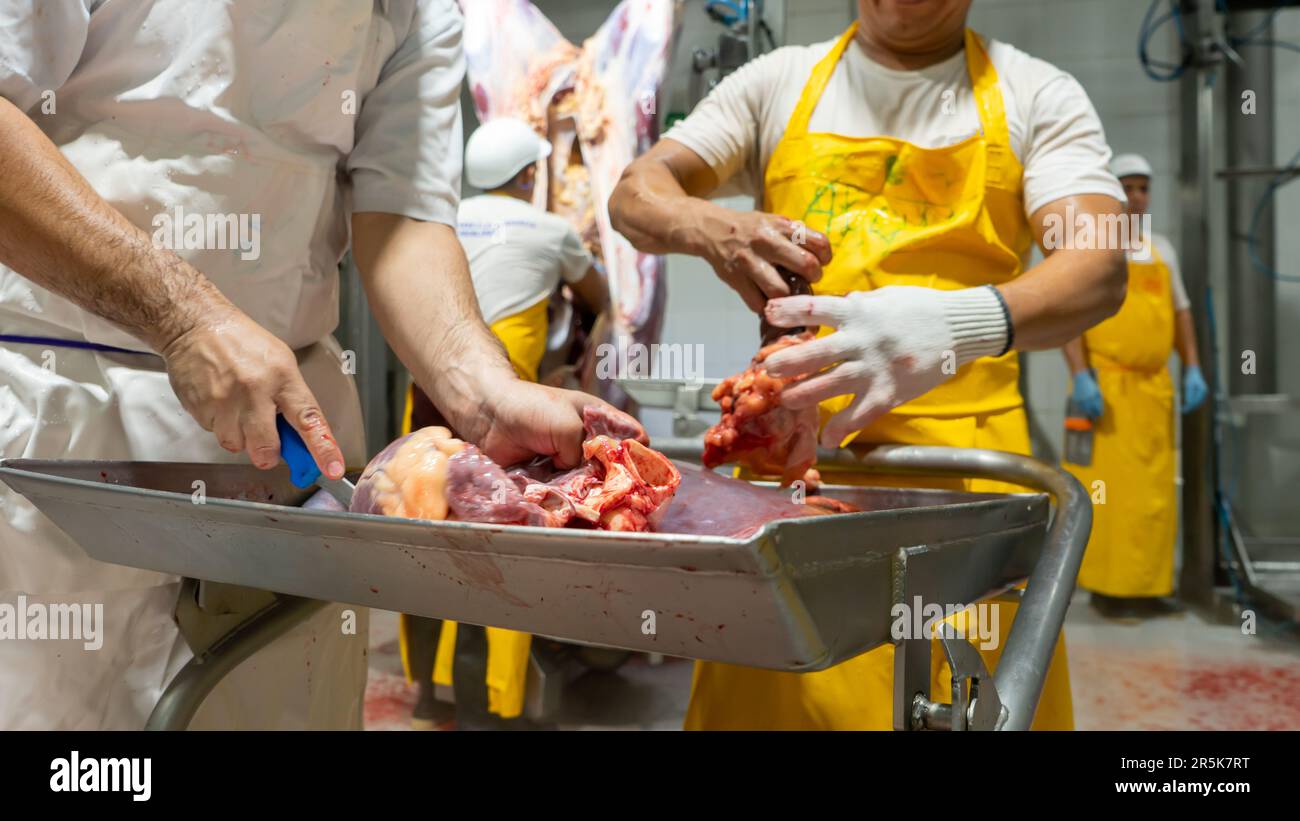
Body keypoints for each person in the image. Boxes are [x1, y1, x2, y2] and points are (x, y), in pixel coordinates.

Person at [0, 0, 630, 730]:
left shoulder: (419, 12)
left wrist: (483, 394)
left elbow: (402, 221)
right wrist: (179, 313)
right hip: (70, 420)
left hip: (290, 458)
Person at [609, 0, 1128, 729]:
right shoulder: (778, 83)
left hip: (966, 487)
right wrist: (715, 227)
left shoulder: (1033, 92)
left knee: (964, 701)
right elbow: (636, 192)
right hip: (794, 475)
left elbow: (1100, 264)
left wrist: (956, 325)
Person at [400, 118, 608, 729]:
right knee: (497, 543)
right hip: (510, 406)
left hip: (431, 398)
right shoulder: (551, 230)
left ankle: (428, 688)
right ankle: (490, 700)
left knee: (421, 529)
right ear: (527, 175)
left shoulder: (438, 225)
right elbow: (599, 300)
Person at [1062, 153, 1206, 621]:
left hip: (1154, 393)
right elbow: (1070, 319)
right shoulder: (1094, 248)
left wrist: (1192, 367)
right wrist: (1081, 375)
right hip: (1109, 395)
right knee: (1109, 495)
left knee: (1155, 497)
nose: (1138, 197)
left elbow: (1182, 311)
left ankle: (1148, 587)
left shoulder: (1161, 249)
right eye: (1129, 187)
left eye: (1145, 188)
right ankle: (1109, 591)